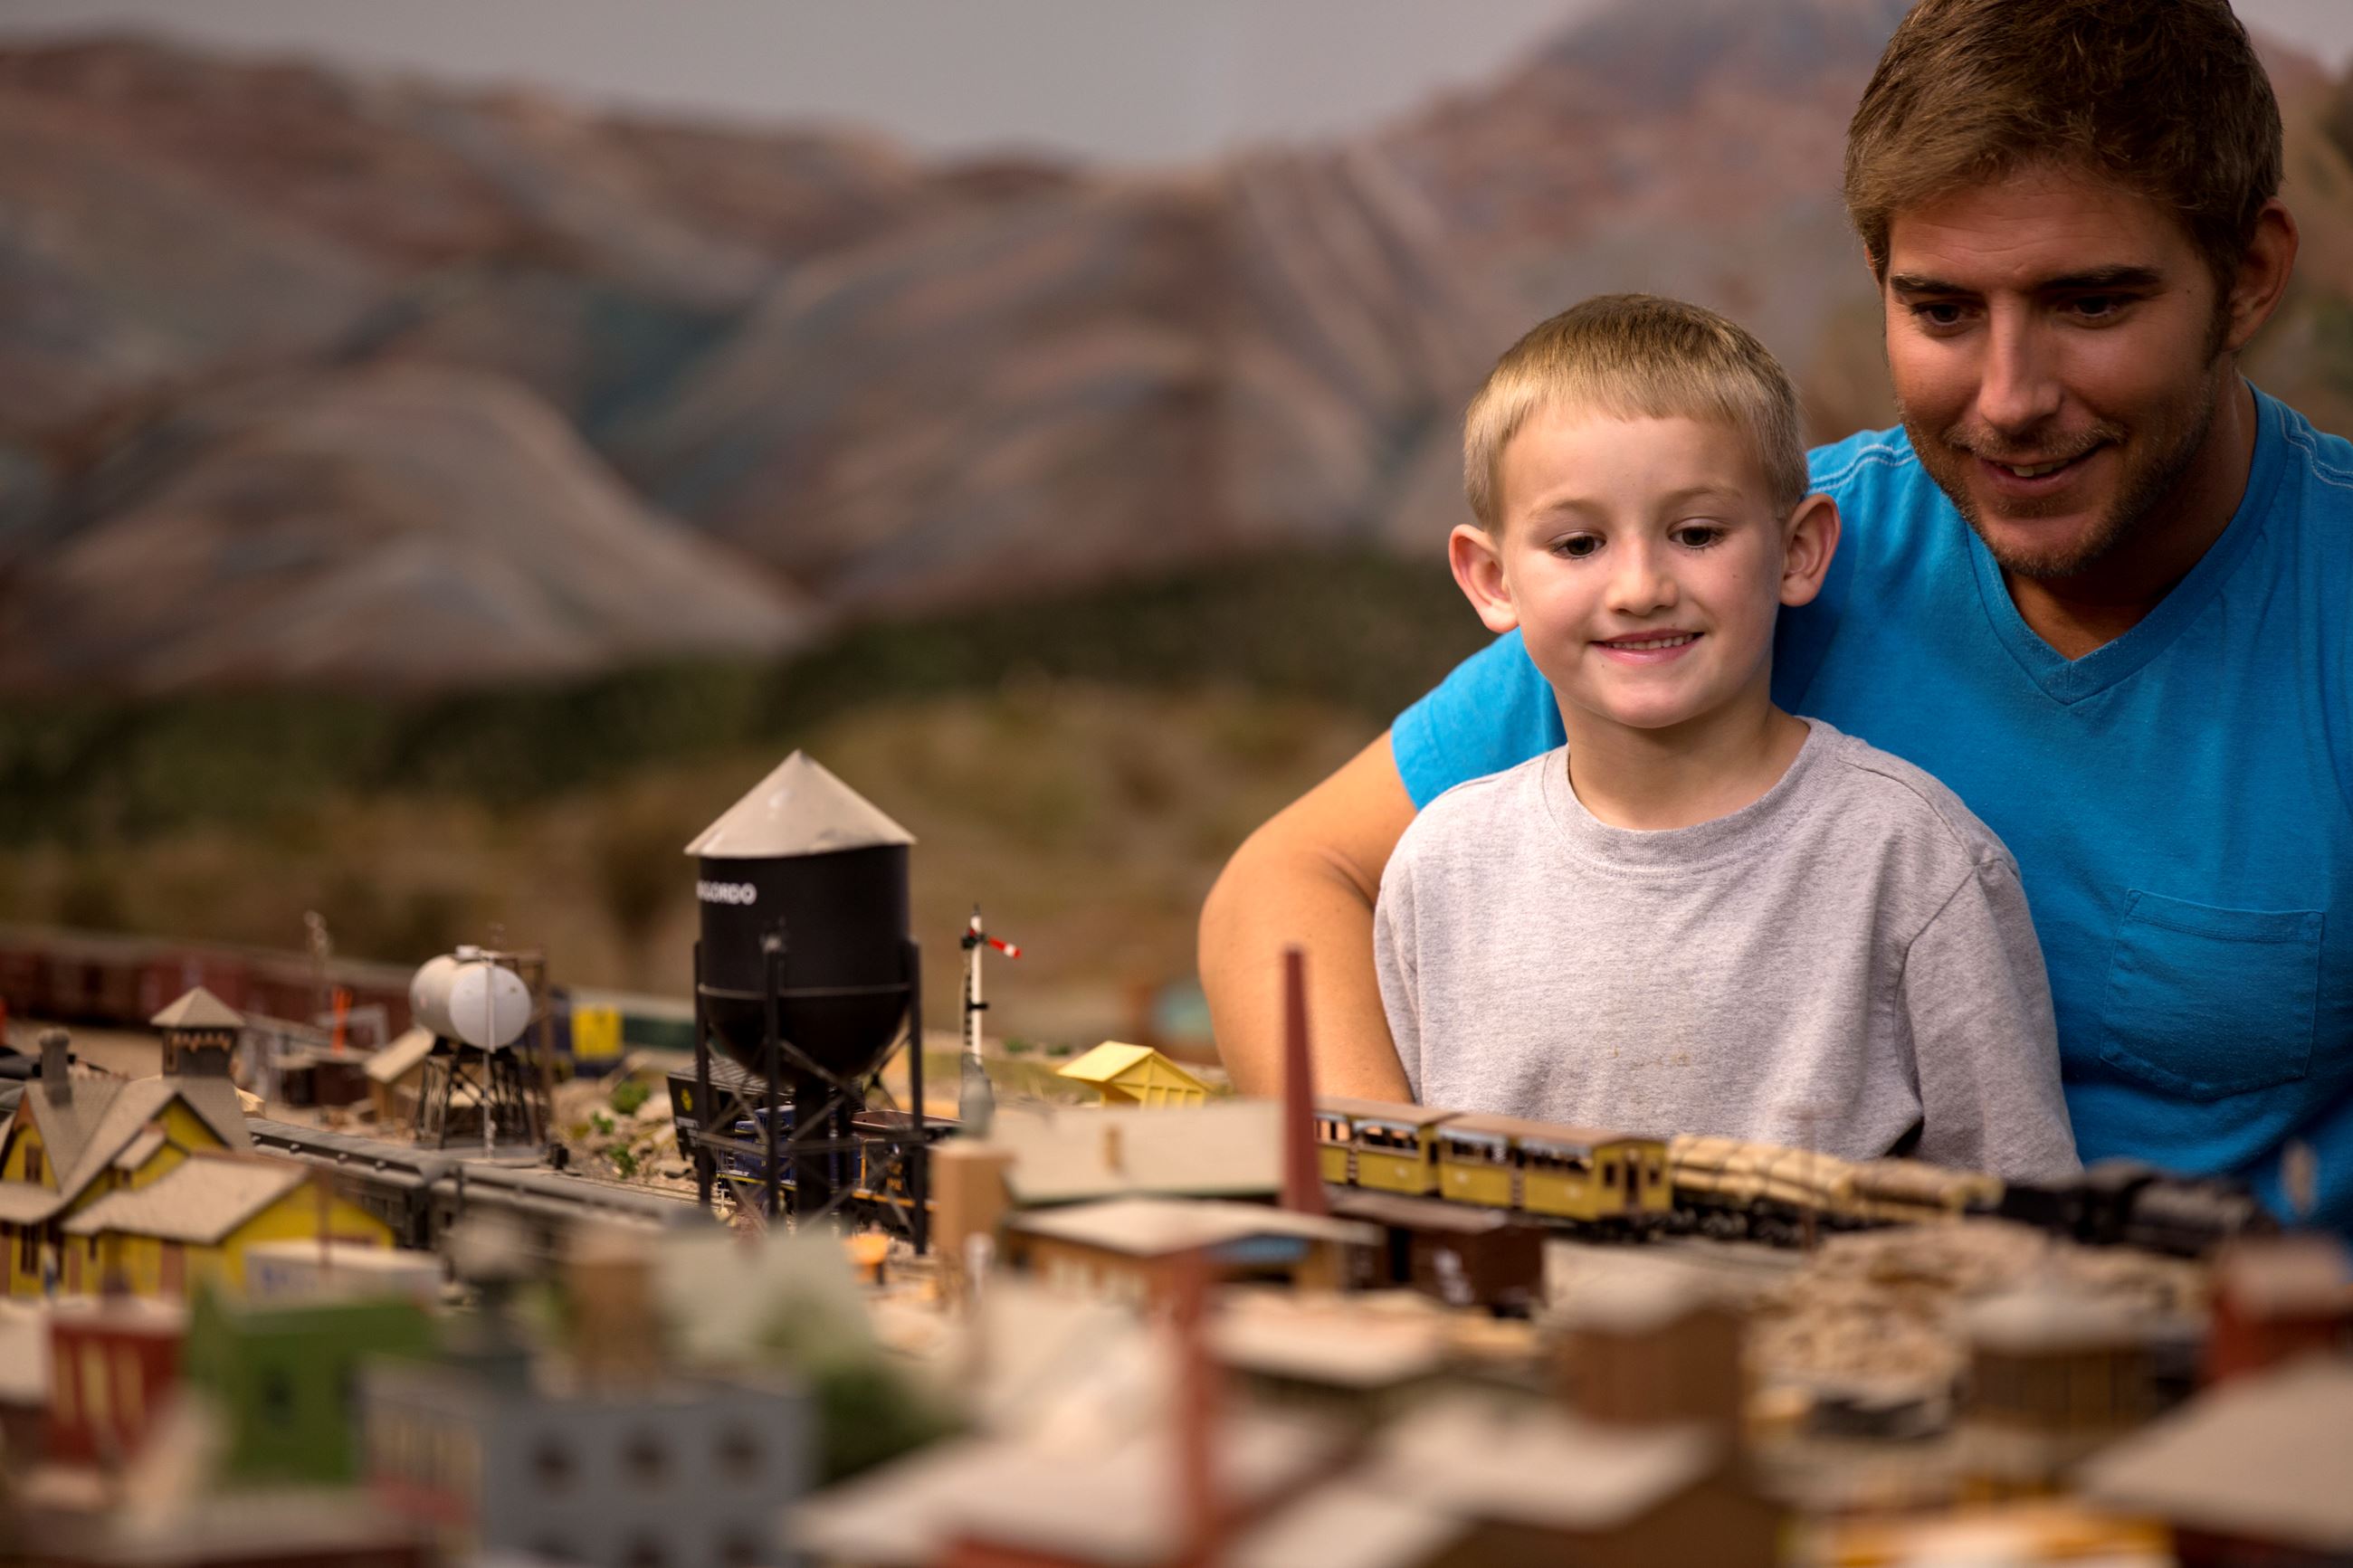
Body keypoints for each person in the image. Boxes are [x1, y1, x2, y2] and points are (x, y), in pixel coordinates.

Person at [1201, 0, 2353, 1224]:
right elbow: (1284, 883)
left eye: (2092, 304)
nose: (2010, 398)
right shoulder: (1739, 565)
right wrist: (1403, 1201)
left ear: (2250, 277)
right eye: (1944, 311)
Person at [1375, 293, 2077, 1178]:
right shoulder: (1442, 865)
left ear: (1796, 552)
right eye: (1578, 542)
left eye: (1695, 532)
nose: (1638, 586)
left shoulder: (1907, 859)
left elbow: (2019, 1221)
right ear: (1490, 578)